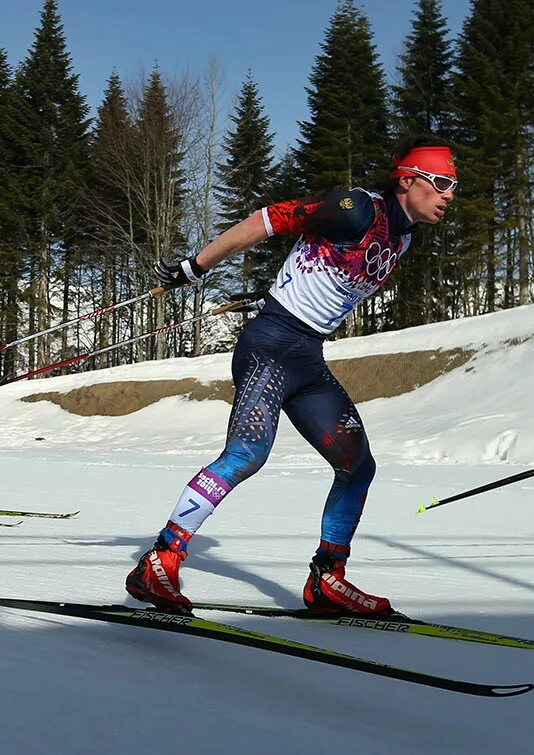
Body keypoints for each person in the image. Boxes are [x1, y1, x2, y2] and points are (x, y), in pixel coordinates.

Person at [127, 135, 457, 615]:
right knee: (247, 454)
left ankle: (327, 579)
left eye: (453, 186)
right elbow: (270, 218)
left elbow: (323, 273)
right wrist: (196, 267)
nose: (449, 195)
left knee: (357, 466)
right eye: (442, 183)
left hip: (307, 358)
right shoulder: (356, 209)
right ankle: (160, 559)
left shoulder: (404, 236)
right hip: (270, 348)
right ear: (407, 180)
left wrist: (282, 288)